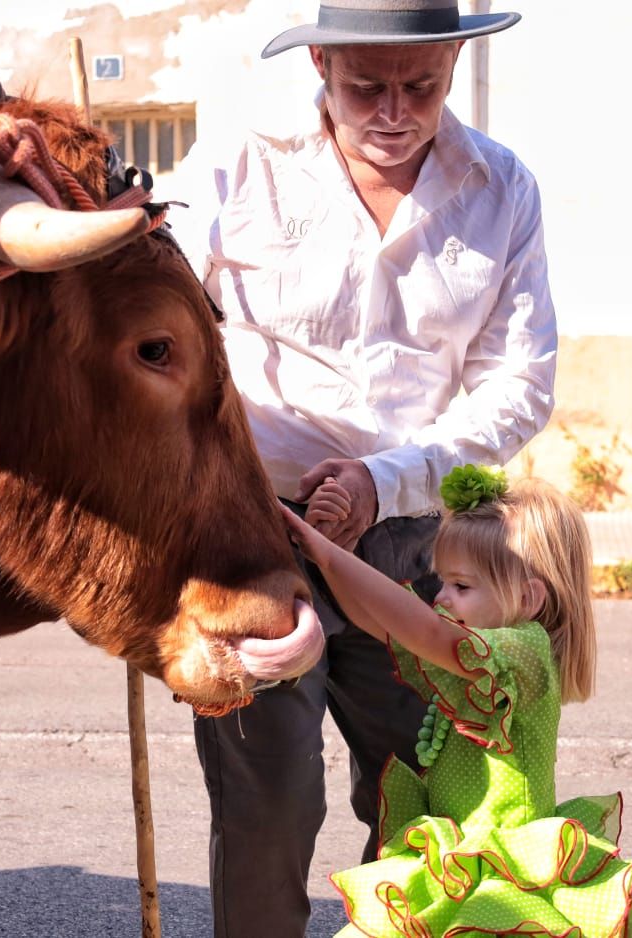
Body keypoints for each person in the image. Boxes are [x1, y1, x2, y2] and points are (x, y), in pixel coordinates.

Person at [167, 1, 557, 934]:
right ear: (322, 66)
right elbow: (159, 330)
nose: (394, 110)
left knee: (425, 794)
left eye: (420, 85)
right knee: (268, 806)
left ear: (456, 61)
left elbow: (520, 384)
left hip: (426, 556)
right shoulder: (235, 167)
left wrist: (386, 479)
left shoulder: (504, 189)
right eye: (364, 87)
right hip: (257, 536)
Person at [283, 467, 632, 937]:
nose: (441, 596)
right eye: (442, 581)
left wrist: (330, 555)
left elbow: (422, 629)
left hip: (507, 872)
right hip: (460, 862)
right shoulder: (473, 647)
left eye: (461, 586)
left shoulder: (523, 651)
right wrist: (335, 555)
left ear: (527, 597)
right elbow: (379, 622)